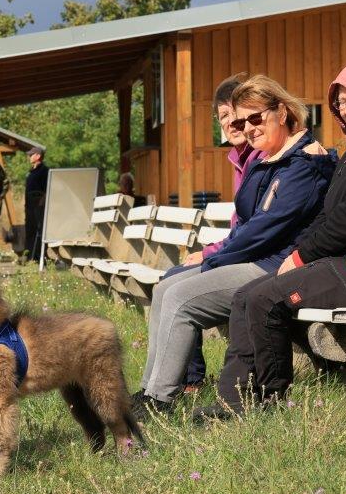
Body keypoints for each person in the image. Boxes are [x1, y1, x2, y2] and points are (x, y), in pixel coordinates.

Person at [197, 55, 346, 421]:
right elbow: (329, 214)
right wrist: (301, 252)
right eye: (341, 102)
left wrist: (302, 256)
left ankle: (269, 404)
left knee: (265, 300)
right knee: (246, 296)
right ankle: (233, 401)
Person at [132, 75, 334, 419]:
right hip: (258, 258)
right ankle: (149, 389)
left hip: (278, 266)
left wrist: (213, 260)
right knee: (166, 287)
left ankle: (160, 401)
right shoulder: (272, 159)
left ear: (282, 112)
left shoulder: (302, 164)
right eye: (240, 122)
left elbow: (262, 230)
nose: (248, 128)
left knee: (181, 299)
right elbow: (249, 215)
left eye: (255, 118)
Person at [172, 72, 262, 392]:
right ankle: (184, 379)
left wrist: (211, 253)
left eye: (237, 114)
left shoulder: (260, 157)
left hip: (257, 259)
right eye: (224, 116)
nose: (232, 123)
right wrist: (214, 250)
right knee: (170, 277)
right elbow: (241, 227)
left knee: (177, 285)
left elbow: (255, 230)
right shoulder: (239, 159)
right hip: (241, 250)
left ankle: (190, 381)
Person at [23, 146, 49, 262]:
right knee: (30, 231)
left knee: (40, 232)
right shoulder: (31, 172)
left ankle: (40, 257)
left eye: (31, 154)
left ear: (38, 156)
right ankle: (29, 257)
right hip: (29, 207)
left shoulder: (45, 171)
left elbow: (48, 189)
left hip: (39, 207)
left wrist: (41, 202)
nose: (29, 156)